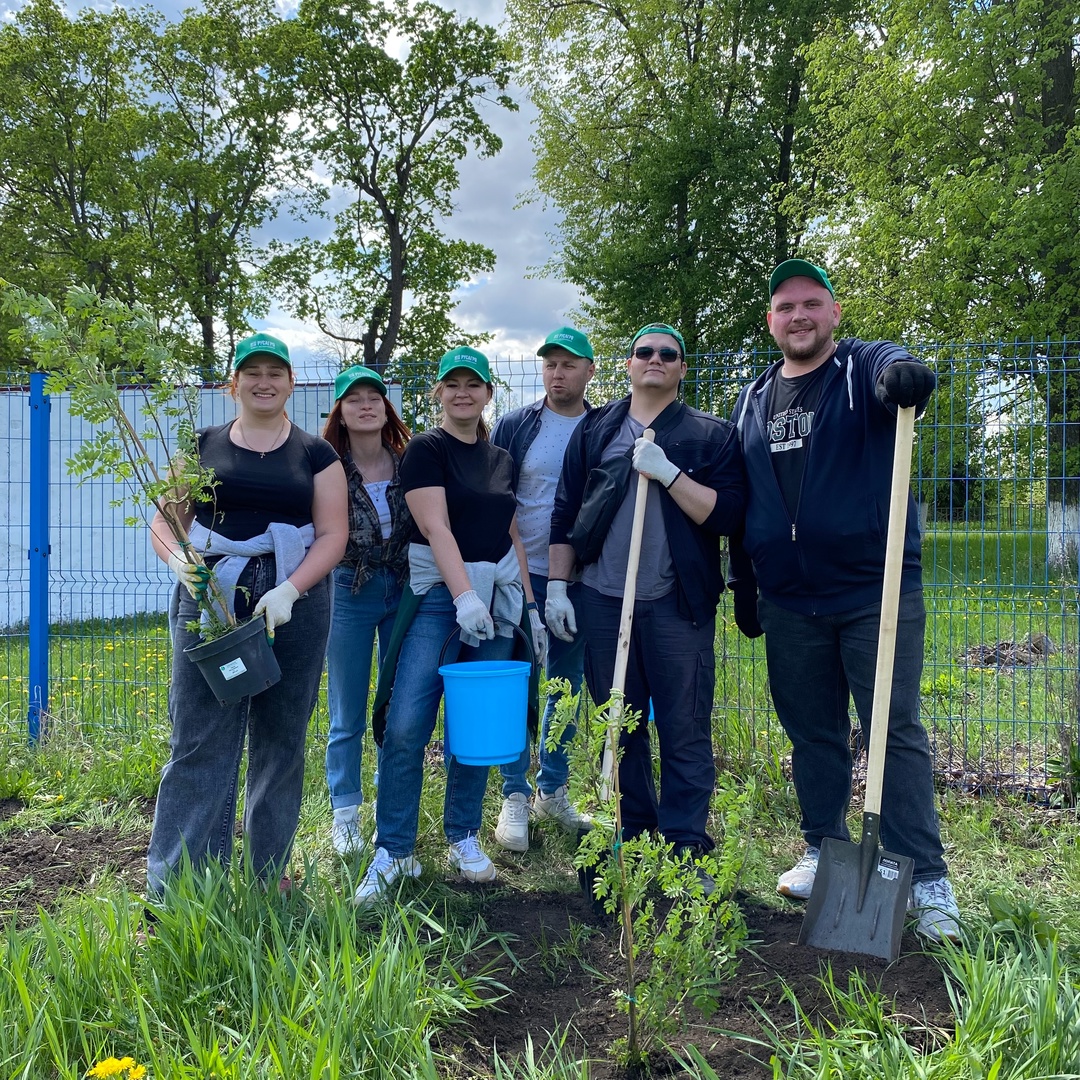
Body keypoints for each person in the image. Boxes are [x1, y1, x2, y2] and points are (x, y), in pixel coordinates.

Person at [728, 258, 960, 943]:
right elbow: (747, 504)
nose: (798, 316)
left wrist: (907, 373)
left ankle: (926, 877)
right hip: (790, 600)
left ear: (833, 313)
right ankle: (821, 846)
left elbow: (898, 364)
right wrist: (746, 584)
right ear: (770, 322)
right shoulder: (752, 399)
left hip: (873, 591)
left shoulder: (863, 371)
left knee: (893, 730)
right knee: (813, 735)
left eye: (811, 304)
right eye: (785, 307)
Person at [147, 332, 348, 898]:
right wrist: (179, 562)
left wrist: (290, 588)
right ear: (232, 383)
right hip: (211, 596)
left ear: (290, 382)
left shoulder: (316, 453)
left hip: (295, 603)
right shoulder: (201, 444)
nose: (264, 382)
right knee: (198, 739)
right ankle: (182, 886)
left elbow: (334, 534)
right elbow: (166, 520)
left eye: (275, 372)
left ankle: (267, 877)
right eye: (252, 372)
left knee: (281, 737)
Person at [548, 323, 745, 892]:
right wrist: (559, 587)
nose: (655, 359)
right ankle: (632, 834)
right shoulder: (596, 429)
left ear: (682, 369)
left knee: (684, 725)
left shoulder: (711, 436)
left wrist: (669, 474)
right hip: (604, 601)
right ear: (628, 365)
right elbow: (565, 512)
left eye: (669, 353)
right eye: (644, 352)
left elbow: (728, 515)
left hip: (677, 603)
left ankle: (686, 845)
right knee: (619, 725)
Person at [354, 346, 546, 904]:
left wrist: (529, 608)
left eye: (474, 384)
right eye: (452, 383)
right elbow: (435, 527)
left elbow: (509, 535)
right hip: (442, 598)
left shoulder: (501, 459)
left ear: (489, 393)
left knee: (477, 725)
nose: (463, 392)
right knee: (409, 720)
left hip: (497, 602)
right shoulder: (425, 451)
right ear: (438, 392)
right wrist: (463, 597)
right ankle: (394, 850)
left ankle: (463, 834)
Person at [491, 327, 596, 853]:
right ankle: (514, 793)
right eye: (550, 364)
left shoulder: (605, 426)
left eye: (569, 364)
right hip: (518, 572)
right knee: (518, 681)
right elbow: (493, 499)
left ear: (590, 371)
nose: (558, 373)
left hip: (579, 576)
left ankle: (552, 788)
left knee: (565, 683)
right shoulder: (515, 425)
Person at [320, 365, 412, 855]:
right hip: (348, 591)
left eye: (374, 396)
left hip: (400, 588)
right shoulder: (326, 465)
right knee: (347, 711)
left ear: (386, 407)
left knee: (394, 707)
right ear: (340, 411)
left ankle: (388, 813)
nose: (366, 405)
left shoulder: (407, 460)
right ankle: (346, 815)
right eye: (353, 398)